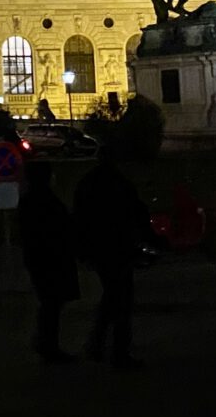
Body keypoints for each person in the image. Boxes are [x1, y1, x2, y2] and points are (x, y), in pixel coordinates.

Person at [73, 146, 147, 368]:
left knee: (111, 296)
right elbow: (135, 214)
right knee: (121, 298)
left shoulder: (88, 183)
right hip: (118, 248)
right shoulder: (120, 184)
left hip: (99, 250)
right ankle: (118, 352)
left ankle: (97, 345)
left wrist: (83, 250)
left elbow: (80, 218)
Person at [18, 161, 79, 361]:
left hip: (40, 259)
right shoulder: (44, 201)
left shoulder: (30, 200)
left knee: (50, 302)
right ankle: (47, 344)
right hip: (50, 260)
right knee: (51, 303)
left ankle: (44, 342)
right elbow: (56, 229)